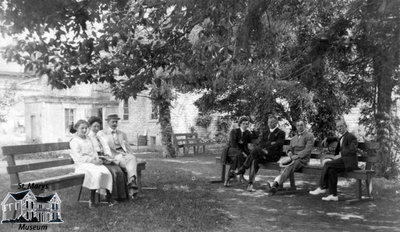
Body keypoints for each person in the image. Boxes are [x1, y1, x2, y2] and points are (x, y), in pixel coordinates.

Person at [309, 120, 359, 201]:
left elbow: (353, 149)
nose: (339, 128)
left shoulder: (350, 136)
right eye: (338, 127)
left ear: (345, 126)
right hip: (343, 161)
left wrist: (341, 154)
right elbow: (336, 138)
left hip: (349, 162)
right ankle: (333, 195)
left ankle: (322, 187)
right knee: (331, 170)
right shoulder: (342, 137)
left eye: (341, 126)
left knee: (328, 164)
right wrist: (328, 138)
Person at [69, 120, 113, 207]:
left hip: (92, 163)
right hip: (82, 165)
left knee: (106, 172)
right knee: (96, 173)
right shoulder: (74, 141)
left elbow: (93, 152)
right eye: (82, 128)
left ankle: (109, 198)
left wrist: (97, 159)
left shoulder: (88, 139)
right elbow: (78, 158)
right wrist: (92, 161)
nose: (85, 130)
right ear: (77, 128)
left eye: (86, 128)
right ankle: (92, 200)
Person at [236, 115, 286, 191]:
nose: (270, 124)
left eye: (272, 122)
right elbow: (261, 143)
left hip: (274, 155)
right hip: (262, 154)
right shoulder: (266, 132)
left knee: (256, 150)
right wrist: (270, 144)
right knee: (254, 160)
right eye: (269, 122)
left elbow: (278, 144)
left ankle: (243, 167)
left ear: (276, 122)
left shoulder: (281, 133)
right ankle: (250, 184)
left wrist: (267, 145)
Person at [87, 116, 128, 202]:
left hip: (105, 157)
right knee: (113, 172)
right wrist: (99, 158)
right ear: (90, 127)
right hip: (97, 159)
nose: (96, 128)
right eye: (94, 126)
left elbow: (106, 148)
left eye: (98, 126)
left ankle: (122, 196)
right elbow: (91, 151)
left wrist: (108, 156)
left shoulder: (100, 137)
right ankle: (112, 197)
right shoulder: (88, 137)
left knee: (118, 170)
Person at [98, 114, 139, 198]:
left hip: (123, 154)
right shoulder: (102, 133)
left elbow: (127, 146)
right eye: (112, 122)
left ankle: (131, 181)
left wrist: (130, 153)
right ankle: (132, 184)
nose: (114, 124)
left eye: (116, 122)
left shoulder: (122, 133)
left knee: (132, 158)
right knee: (130, 164)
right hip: (113, 156)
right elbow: (103, 147)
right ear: (108, 122)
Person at [269, 120, 314, 194]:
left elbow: (307, 150)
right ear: (296, 127)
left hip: (302, 159)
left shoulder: (309, 136)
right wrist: (289, 152)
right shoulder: (293, 138)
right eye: (298, 125)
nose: (300, 127)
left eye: (301, 125)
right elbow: (289, 148)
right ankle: (277, 184)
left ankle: (276, 184)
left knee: (290, 166)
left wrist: (297, 156)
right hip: (293, 158)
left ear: (304, 126)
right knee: (282, 164)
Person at [223, 116, 258, 187]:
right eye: (244, 123)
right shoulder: (234, 131)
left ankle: (228, 178)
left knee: (237, 157)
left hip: (239, 153)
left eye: (247, 124)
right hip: (231, 150)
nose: (245, 125)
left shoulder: (247, 133)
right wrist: (243, 152)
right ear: (240, 124)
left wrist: (252, 130)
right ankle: (241, 175)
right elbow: (233, 144)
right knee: (239, 154)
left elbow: (256, 138)